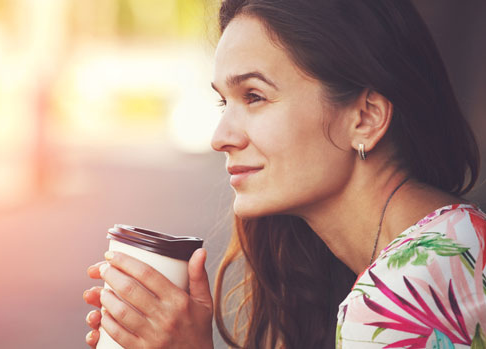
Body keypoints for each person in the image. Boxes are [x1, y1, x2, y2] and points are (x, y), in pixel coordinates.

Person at [83, 0, 485, 348]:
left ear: (365, 118)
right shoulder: (459, 238)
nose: (219, 137)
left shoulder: (400, 297)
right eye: (224, 103)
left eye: (254, 96)